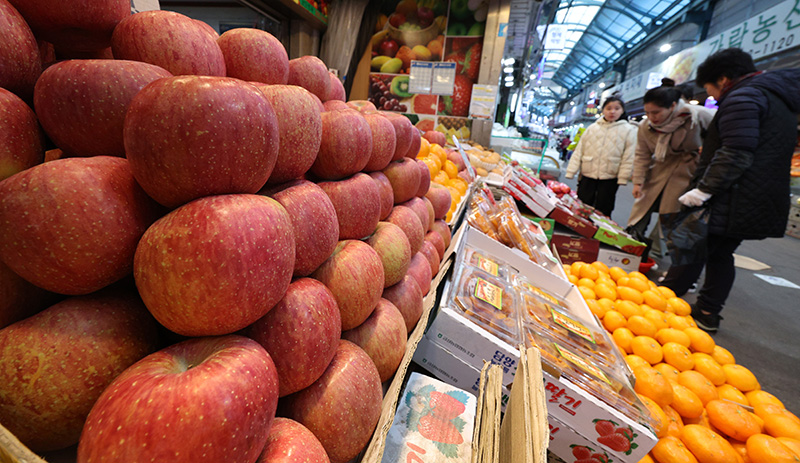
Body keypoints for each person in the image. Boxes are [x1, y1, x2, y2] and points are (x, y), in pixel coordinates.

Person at [660, 48, 800, 332]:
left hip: (734, 193)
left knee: (695, 243)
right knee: (717, 252)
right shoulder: (778, 99)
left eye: (710, 88)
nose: (711, 96)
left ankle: (667, 301)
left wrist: (703, 190)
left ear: (723, 79)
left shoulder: (744, 97)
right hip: (756, 193)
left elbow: (735, 152)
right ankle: (705, 310)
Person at [627, 79, 716, 241]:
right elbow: (642, 154)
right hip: (659, 169)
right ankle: (632, 242)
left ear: (673, 106)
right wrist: (638, 182)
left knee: (671, 213)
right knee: (642, 209)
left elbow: (721, 131)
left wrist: (708, 149)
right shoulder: (645, 126)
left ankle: (656, 251)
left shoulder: (696, 115)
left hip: (687, 172)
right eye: (647, 112)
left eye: (656, 112)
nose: (651, 117)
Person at [564, 96, 637, 216]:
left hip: (610, 177)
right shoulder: (592, 128)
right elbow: (579, 151)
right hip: (588, 174)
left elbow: (629, 156)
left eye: (617, 108)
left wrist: (623, 177)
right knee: (582, 204)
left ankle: (599, 232)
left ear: (622, 110)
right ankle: (579, 228)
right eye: (609, 108)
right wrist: (571, 171)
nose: (612, 111)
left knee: (604, 207)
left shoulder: (628, 130)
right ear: (603, 110)